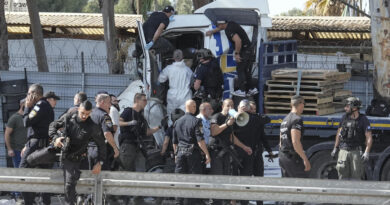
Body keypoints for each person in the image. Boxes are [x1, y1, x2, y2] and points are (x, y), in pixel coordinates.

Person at [49, 100, 107, 205]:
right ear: (78, 109)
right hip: (66, 155)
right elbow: (53, 125)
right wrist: (55, 139)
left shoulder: (92, 126)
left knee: (78, 186)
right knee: (69, 185)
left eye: (87, 114)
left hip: (81, 157)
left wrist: (100, 162)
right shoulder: (68, 118)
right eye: (83, 113)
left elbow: (102, 145)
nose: (84, 116)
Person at [209, 99, 252, 205]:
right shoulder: (217, 117)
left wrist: (244, 147)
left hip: (226, 152)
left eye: (232, 105)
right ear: (223, 106)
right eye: (228, 105)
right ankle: (216, 202)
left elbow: (231, 136)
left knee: (226, 178)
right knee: (218, 179)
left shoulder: (230, 118)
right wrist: (227, 124)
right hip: (217, 152)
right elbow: (214, 132)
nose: (230, 107)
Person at [20, 84, 54, 205]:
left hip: (36, 146)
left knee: (22, 172)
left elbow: (26, 122)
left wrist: (27, 107)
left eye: (29, 94)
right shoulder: (45, 105)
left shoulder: (39, 106)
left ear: (35, 94)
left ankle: (29, 202)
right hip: (43, 146)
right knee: (43, 176)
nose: (27, 97)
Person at [173, 100, 211, 205]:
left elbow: (174, 142)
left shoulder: (177, 122)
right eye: (194, 106)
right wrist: (207, 154)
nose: (195, 108)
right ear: (193, 107)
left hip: (180, 153)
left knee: (180, 180)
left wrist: (176, 154)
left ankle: (178, 202)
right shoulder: (196, 121)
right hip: (193, 154)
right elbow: (200, 140)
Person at [206, 20, 258, 97]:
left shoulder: (228, 30)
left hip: (244, 51)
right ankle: (252, 89)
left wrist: (237, 53)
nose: (218, 27)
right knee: (246, 70)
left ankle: (242, 90)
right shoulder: (231, 24)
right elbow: (220, 28)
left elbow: (238, 41)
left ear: (221, 24)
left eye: (218, 25)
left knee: (240, 69)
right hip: (249, 50)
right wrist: (212, 31)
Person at [331, 96, 372, 180]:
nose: (345, 108)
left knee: (357, 176)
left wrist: (367, 152)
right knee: (341, 174)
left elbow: (369, 137)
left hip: (356, 152)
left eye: (347, 106)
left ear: (354, 108)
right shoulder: (344, 118)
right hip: (343, 151)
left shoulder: (363, 119)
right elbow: (338, 134)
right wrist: (335, 148)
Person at [279, 95, 311, 180]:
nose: (304, 106)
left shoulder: (285, 120)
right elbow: (295, 141)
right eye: (304, 104)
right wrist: (305, 159)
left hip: (283, 156)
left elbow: (281, 141)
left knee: (289, 185)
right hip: (292, 158)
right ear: (300, 104)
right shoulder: (296, 119)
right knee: (301, 183)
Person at [158, 49, 193, 123]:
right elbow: (192, 82)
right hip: (185, 95)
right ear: (183, 57)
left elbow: (161, 79)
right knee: (185, 116)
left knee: (171, 116)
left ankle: (171, 132)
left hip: (172, 96)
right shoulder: (188, 70)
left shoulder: (169, 69)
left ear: (173, 58)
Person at [89, 94, 119, 171]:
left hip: (88, 150)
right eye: (109, 102)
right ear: (102, 102)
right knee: (103, 176)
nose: (110, 105)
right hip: (99, 151)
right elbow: (107, 134)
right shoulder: (104, 116)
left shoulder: (90, 113)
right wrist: (115, 148)